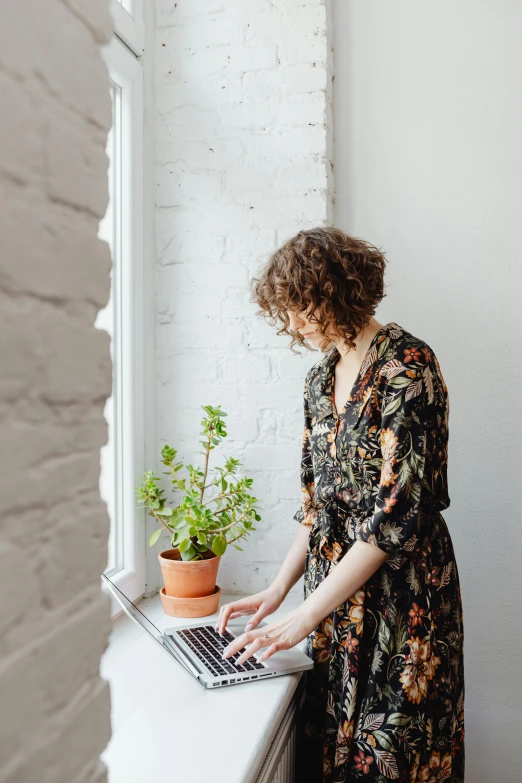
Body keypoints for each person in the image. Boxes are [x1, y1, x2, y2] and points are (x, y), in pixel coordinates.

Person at [216, 227, 464, 782]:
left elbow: (398, 515)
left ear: (338, 292)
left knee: (395, 756)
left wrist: (304, 616)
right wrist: (279, 592)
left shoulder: (407, 366)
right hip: (332, 595)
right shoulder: (318, 379)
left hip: (402, 597)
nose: (296, 323)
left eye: (303, 306)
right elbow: (318, 506)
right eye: (288, 310)